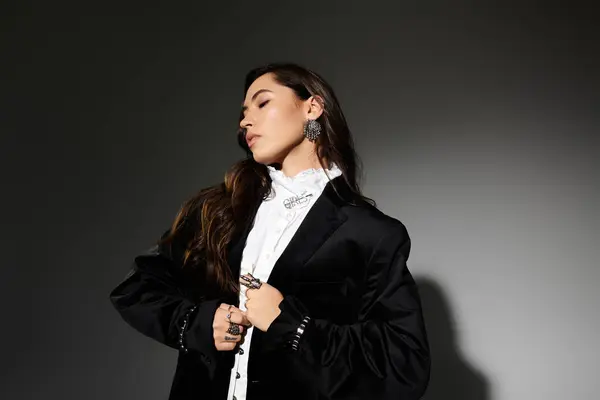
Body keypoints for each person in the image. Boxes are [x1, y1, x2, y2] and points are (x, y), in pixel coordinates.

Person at [109, 62, 430, 400]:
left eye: (262, 103)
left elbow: (404, 364)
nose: (245, 120)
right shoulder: (220, 210)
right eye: (244, 112)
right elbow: (135, 289)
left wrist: (293, 327)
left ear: (312, 108)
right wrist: (197, 322)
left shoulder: (371, 234)